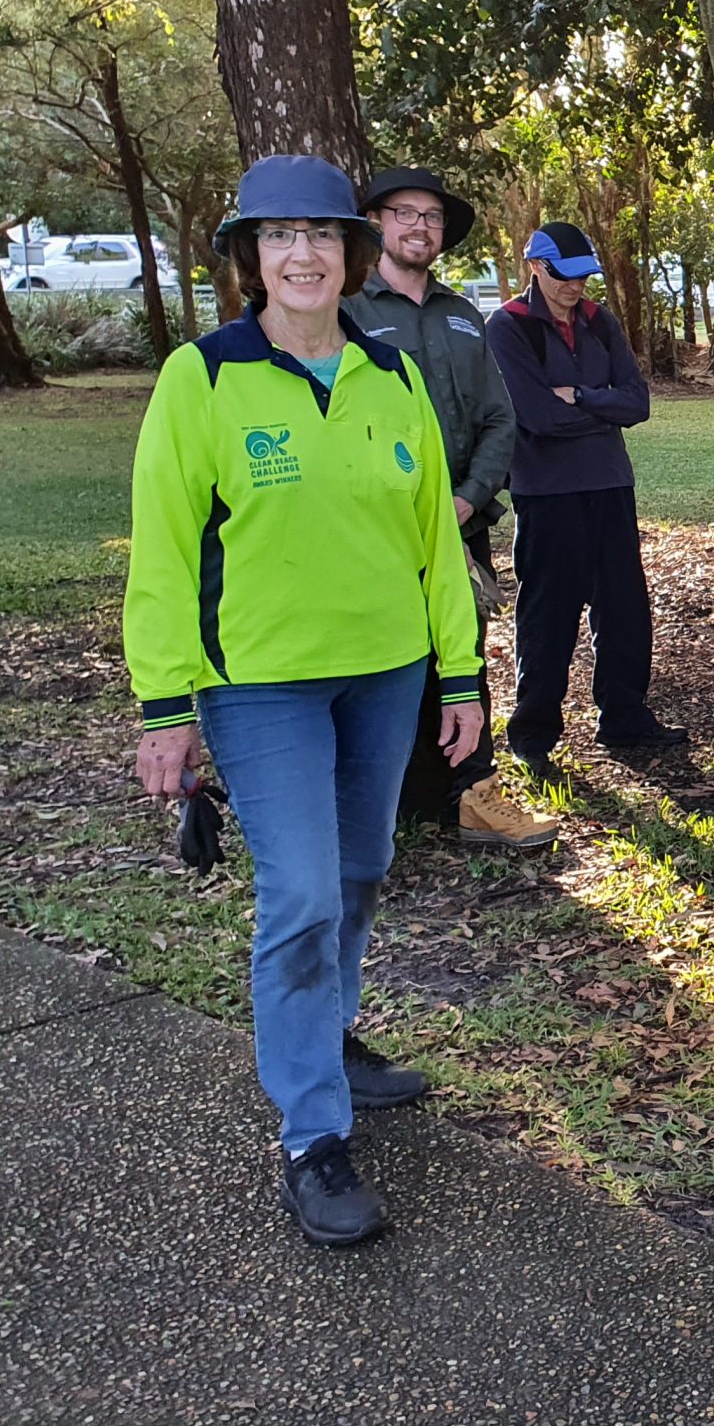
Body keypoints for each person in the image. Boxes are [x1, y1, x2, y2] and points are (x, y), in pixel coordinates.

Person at [125, 155, 484, 1246]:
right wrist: (163, 704)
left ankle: (328, 1038)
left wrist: (459, 674)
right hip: (260, 683)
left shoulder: (391, 374)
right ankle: (311, 1137)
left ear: (351, 255)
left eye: (322, 236)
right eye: (278, 236)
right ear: (250, 257)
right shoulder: (205, 376)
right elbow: (165, 548)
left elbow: (434, 539)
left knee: (363, 870)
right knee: (302, 896)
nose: (302, 254)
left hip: (385, 672)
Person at [346, 165, 551, 852]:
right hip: (373, 530)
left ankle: (475, 795)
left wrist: (466, 501)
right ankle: (386, 804)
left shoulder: (464, 315)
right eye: (404, 213)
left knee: (460, 649)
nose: (419, 227)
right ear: (375, 223)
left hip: (459, 526)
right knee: (379, 657)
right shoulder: (346, 315)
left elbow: (501, 418)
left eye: (431, 218)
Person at [484, 221, 684, 773]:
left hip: (610, 484)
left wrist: (581, 397)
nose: (575, 287)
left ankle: (624, 716)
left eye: (582, 276)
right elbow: (538, 417)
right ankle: (533, 735)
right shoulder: (508, 327)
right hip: (546, 493)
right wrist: (601, 409)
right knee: (549, 613)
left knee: (624, 606)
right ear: (535, 267)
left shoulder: (599, 321)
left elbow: (638, 403)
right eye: (563, 276)